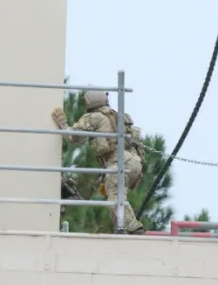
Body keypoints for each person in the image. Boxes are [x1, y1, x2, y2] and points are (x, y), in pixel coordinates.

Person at [50, 91, 147, 234]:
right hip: (134, 162)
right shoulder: (119, 117)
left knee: (115, 197)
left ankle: (133, 228)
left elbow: (74, 137)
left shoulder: (94, 117)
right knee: (115, 195)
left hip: (119, 162)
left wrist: (63, 125)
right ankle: (121, 228)